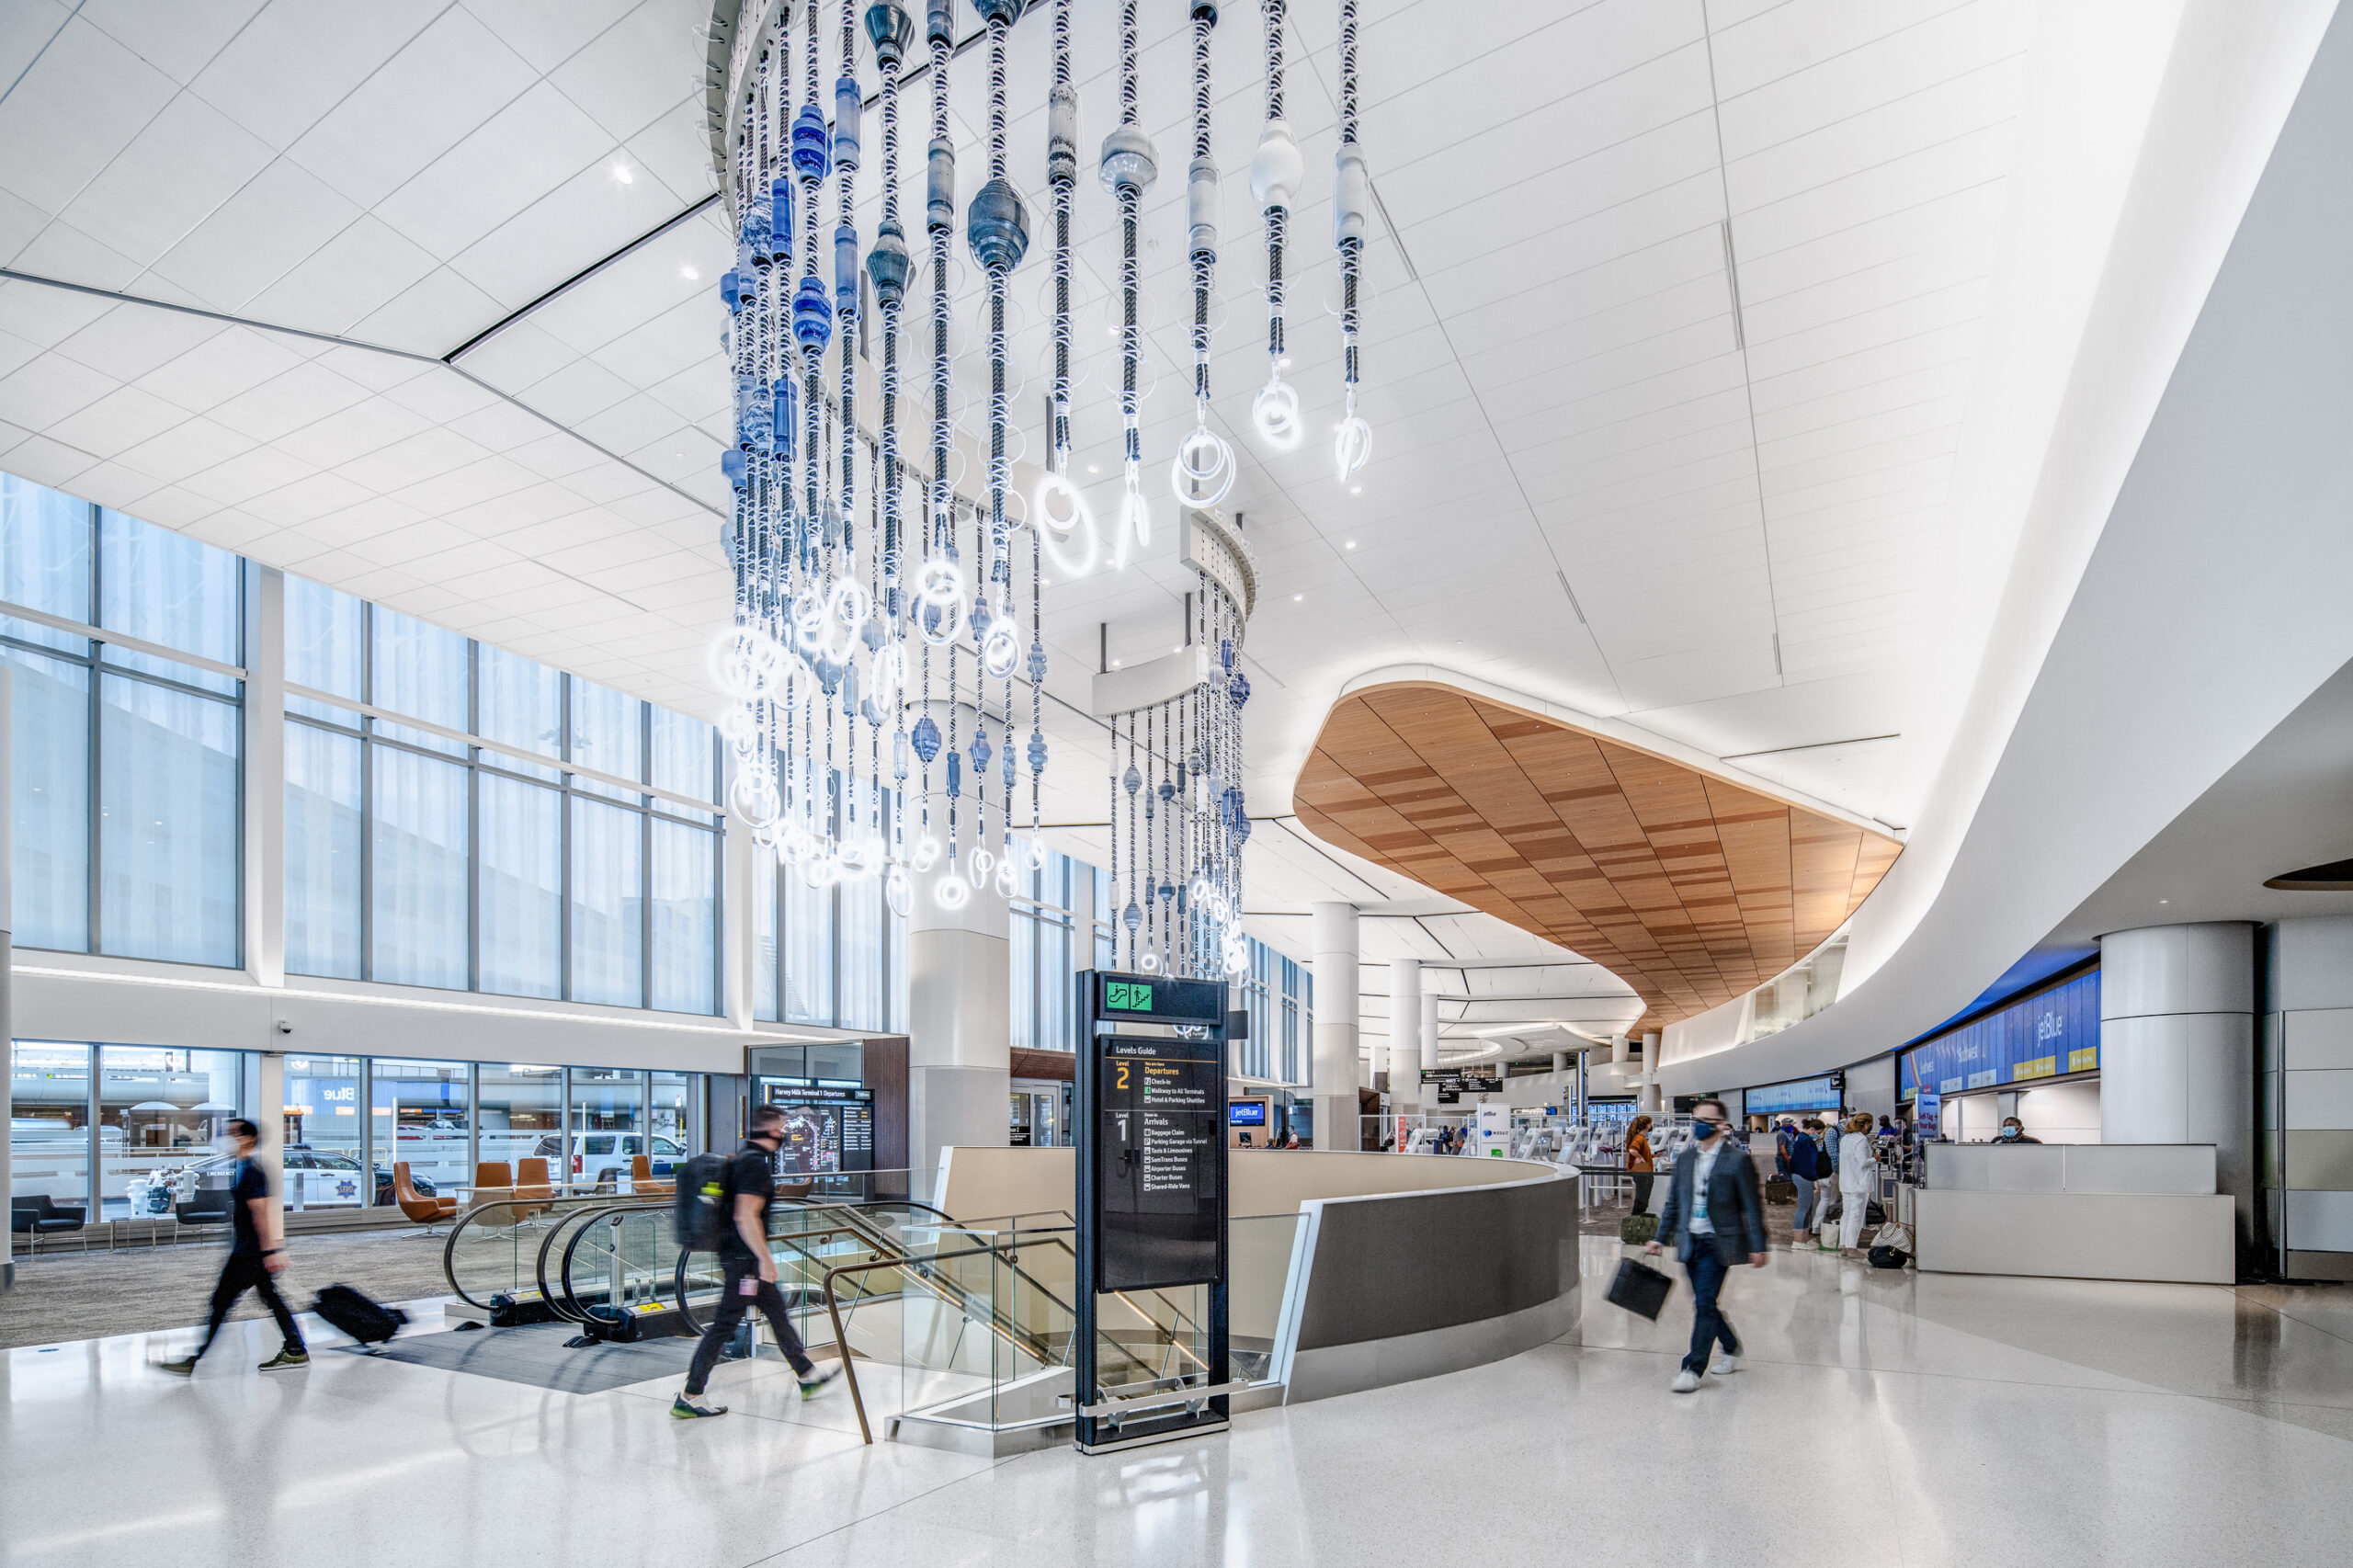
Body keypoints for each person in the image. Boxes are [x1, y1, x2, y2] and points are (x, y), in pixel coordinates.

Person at [675, 1105, 841, 1418]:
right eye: (782, 1128)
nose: (785, 1135)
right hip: (743, 1261)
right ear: (770, 1130)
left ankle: (806, 1375)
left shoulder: (743, 1160)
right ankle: (691, 1393)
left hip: (741, 1257)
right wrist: (764, 1259)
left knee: (777, 1312)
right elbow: (745, 1215)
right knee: (723, 1326)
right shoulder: (753, 1166)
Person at [155, 1119, 307, 1375]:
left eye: (233, 1133)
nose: (227, 1137)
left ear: (248, 1138)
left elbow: (260, 1214)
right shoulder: (241, 1166)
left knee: (221, 1302)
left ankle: (196, 1358)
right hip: (248, 1249)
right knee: (271, 1298)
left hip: (249, 1253)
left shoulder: (252, 1171)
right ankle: (295, 1348)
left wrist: (271, 1251)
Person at [1645, 1097, 1768, 1392]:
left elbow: (1752, 1206)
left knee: (1703, 1302)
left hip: (1720, 1242)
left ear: (1721, 1126)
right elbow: (1674, 1203)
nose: (1698, 1126)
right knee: (1705, 1302)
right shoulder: (1687, 1159)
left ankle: (1692, 1368)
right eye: (1695, 1120)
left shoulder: (1737, 1161)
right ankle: (1732, 1346)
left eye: (1705, 1122)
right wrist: (1660, 1238)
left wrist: (1758, 1245)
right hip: (1690, 1241)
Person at [1837, 1113, 1878, 1256]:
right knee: (1856, 1216)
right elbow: (1863, 1162)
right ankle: (1851, 1248)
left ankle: (1843, 1246)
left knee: (1846, 1215)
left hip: (1846, 1183)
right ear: (1866, 1124)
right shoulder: (1861, 1140)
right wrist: (1874, 1158)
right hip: (1858, 1184)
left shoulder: (1845, 1139)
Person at [1787, 1117, 1824, 1245]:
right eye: (1818, 1133)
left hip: (1798, 1175)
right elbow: (1811, 1162)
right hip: (1804, 1176)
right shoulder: (1807, 1141)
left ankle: (1804, 1239)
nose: (1818, 1136)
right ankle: (1798, 1241)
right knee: (1804, 1208)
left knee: (1806, 1209)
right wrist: (1815, 1180)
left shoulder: (1800, 1138)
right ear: (1812, 1130)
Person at [1625, 1114, 1655, 1215]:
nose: (1651, 1126)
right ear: (1647, 1125)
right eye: (1650, 1124)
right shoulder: (1640, 1138)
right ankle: (1636, 1220)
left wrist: (1652, 1155)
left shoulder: (1640, 1138)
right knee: (1642, 1199)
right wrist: (1640, 1158)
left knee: (1641, 1198)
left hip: (1642, 1172)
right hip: (1643, 1173)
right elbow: (1632, 1149)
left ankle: (1636, 1219)